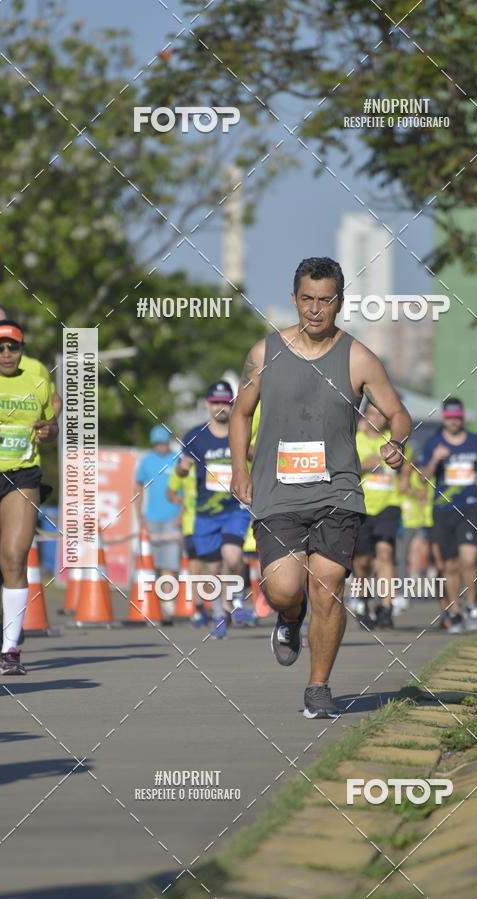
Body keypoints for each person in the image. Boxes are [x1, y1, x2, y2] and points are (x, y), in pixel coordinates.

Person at [229, 256, 411, 719]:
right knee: (284, 589)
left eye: (325, 300)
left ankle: (318, 686)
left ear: (339, 302)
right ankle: (289, 618)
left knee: (327, 586)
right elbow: (241, 414)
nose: (315, 309)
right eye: (307, 299)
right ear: (294, 299)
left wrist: (397, 442)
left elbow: (398, 413)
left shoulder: (358, 357)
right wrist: (239, 470)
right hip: (277, 492)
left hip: (338, 492)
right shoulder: (264, 353)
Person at [0, 320, 57, 674]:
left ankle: (10, 649)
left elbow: (52, 423)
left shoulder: (37, 381)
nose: (6, 354)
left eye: (12, 347)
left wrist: (49, 430)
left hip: (23, 475)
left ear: (21, 349)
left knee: (14, 559)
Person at [176, 381, 251, 638]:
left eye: (225, 403)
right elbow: (181, 468)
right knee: (214, 569)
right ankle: (219, 612)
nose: (220, 407)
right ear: (207, 404)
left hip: (235, 508)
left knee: (233, 556)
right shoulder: (194, 436)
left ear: (232, 405)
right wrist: (182, 468)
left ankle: (238, 595)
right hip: (206, 512)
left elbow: (255, 455)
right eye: (216, 402)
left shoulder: (240, 430)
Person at [417, 397, 477, 634]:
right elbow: (422, 478)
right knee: (449, 565)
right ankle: (455, 611)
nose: (453, 422)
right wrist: (436, 458)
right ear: (444, 418)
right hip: (443, 509)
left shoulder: (476, 442)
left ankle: (473, 604)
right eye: (449, 418)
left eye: (457, 418)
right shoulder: (433, 443)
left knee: (469, 559)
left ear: (462, 418)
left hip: (470, 506)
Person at [353, 403, 411, 629]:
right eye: (372, 414)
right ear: (364, 416)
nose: (376, 419)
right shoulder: (354, 439)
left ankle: (386, 607)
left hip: (389, 504)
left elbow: (407, 465)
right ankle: (364, 602)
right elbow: (341, 468)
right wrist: (363, 465)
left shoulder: (393, 441)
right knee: (363, 561)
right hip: (362, 506)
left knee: (385, 553)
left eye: (380, 415)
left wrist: (403, 477)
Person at [135, 425, 181, 609]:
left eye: (163, 443)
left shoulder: (178, 459)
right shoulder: (146, 461)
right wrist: (139, 513)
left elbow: (187, 489)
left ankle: (168, 601)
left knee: (169, 562)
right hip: (151, 517)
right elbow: (138, 486)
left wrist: (182, 513)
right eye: (157, 443)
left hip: (173, 517)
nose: (161, 446)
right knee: (150, 561)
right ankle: (151, 601)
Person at [166, 459, 206, 624]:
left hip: (213, 521)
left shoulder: (210, 460)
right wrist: (177, 499)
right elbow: (170, 491)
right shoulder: (182, 466)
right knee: (195, 566)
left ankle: (223, 607)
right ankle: (199, 608)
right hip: (191, 525)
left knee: (214, 566)